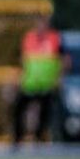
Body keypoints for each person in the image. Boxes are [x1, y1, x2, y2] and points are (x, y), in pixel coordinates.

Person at [13, 14, 68, 147]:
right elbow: (22, 60)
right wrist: (19, 78)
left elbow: (64, 59)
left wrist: (60, 77)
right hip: (30, 82)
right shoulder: (29, 38)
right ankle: (17, 138)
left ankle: (39, 139)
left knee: (45, 112)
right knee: (19, 108)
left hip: (47, 83)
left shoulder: (55, 39)